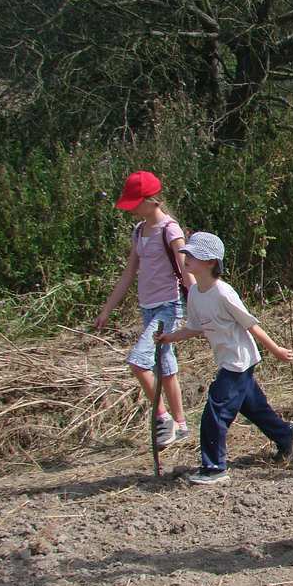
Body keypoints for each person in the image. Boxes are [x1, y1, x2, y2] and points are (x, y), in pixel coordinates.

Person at [155, 232, 293, 486]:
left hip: (238, 362)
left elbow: (250, 324)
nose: (186, 257)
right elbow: (195, 327)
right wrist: (170, 337)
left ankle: (214, 467)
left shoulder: (223, 293)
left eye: (193, 255)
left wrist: (275, 350)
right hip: (227, 360)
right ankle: (285, 433)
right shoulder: (196, 294)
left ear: (210, 262)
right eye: (186, 253)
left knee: (215, 412)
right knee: (253, 407)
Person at [94, 170, 193, 449]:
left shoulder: (170, 230)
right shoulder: (139, 232)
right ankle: (182, 425)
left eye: (135, 203)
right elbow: (128, 274)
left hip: (169, 307)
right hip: (147, 308)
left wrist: (200, 303)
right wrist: (106, 310)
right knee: (166, 366)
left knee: (139, 361)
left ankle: (163, 418)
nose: (131, 209)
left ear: (152, 201)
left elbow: (187, 271)